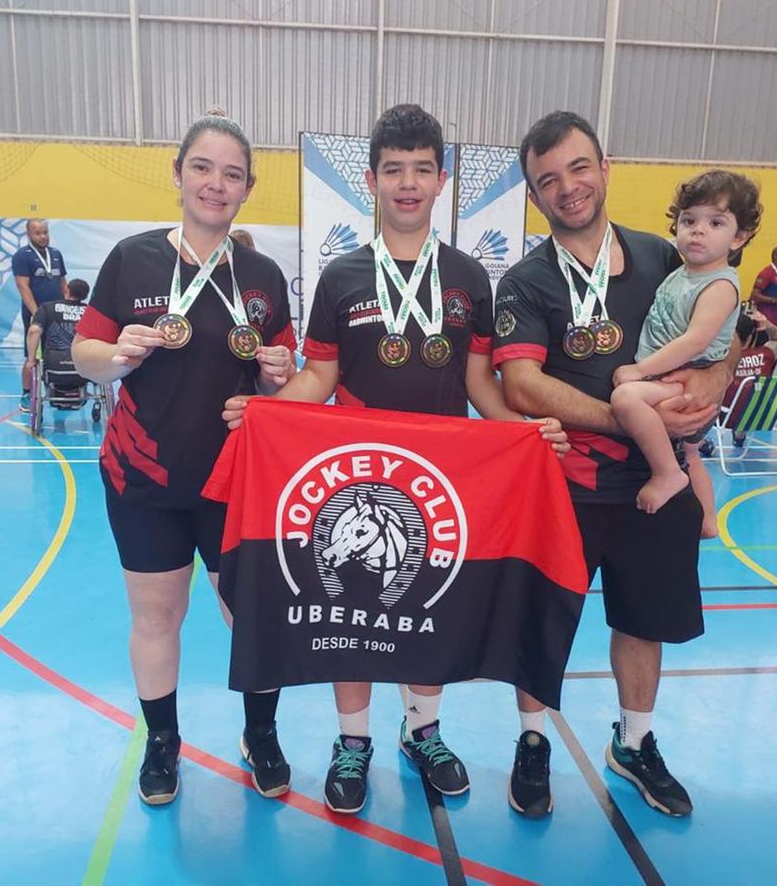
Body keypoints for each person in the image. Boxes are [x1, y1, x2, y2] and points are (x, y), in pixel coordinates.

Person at [223, 104, 568, 817]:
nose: (407, 184)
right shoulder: (341, 278)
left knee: (425, 603)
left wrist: (528, 431)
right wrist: (270, 409)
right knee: (351, 609)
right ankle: (353, 741)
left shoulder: (470, 276)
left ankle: (424, 731)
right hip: (355, 478)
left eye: (420, 169)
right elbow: (317, 377)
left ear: (441, 179)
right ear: (372, 181)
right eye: (392, 170)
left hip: (441, 481)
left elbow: (480, 383)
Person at [493, 111, 737, 818]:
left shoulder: (669, 258)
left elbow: (725, 333)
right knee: (543, 619)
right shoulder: (526, 280)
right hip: (563, 484)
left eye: (577, 168)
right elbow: (522, 384)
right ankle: (534, 742)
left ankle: (633, 743)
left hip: (653, 490)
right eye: (548, 180)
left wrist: (717, 382)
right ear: (535, 195)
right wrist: (626, 414)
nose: (566, 187)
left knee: (644, 621)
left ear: (604, 168)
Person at [71, 111, 298, 806]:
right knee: (155, 618)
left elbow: (281, 379)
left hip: (235, 482)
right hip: (143, 478)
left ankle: (260, 733)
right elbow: (85, 354)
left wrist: (276, 373)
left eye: (232, 174)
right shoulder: (132, 259)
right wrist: (117, 356)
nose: (215, 184)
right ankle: (162, 744)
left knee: (252, 617)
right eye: (202, 167)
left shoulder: (261, 275)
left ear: (247, 188)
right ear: (178, 174)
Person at [610, 170, 759, 539]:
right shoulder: (686, 272)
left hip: (686, 380)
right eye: (689, 220)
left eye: (715, 222)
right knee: (692, 454)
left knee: (626, 398)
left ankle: (666, 473)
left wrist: (640, 369)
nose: (698, 230)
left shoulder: (720, 284)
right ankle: (708, 520)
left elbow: (696, 340)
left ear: (739, 238)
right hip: (674, 379)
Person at [698, 309, 777, 459]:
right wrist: (767, 324)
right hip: (760, 418)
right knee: (748, 396)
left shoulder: (720, 359)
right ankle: (740, 434)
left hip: (724, 418)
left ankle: (700, 444)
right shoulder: (767, 353)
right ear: (751, 336)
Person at [13, 219, 68, 411]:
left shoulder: (56, 254)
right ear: (29, 234)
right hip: (36, 314)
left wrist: (68, 305)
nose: (43, 236)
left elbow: (62, 283)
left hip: (58, 314)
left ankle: (62, 389)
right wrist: (37, 314)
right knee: (33, 357)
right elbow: (23, 286)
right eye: (38, 233)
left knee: (60, 352)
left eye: (45, 232)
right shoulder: (22, 256)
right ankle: (27, 394)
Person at [751, 246, 777, 330]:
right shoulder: (766, 273)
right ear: (776, 257)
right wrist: (774, 300)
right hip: (767, 319)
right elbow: (755, 295)